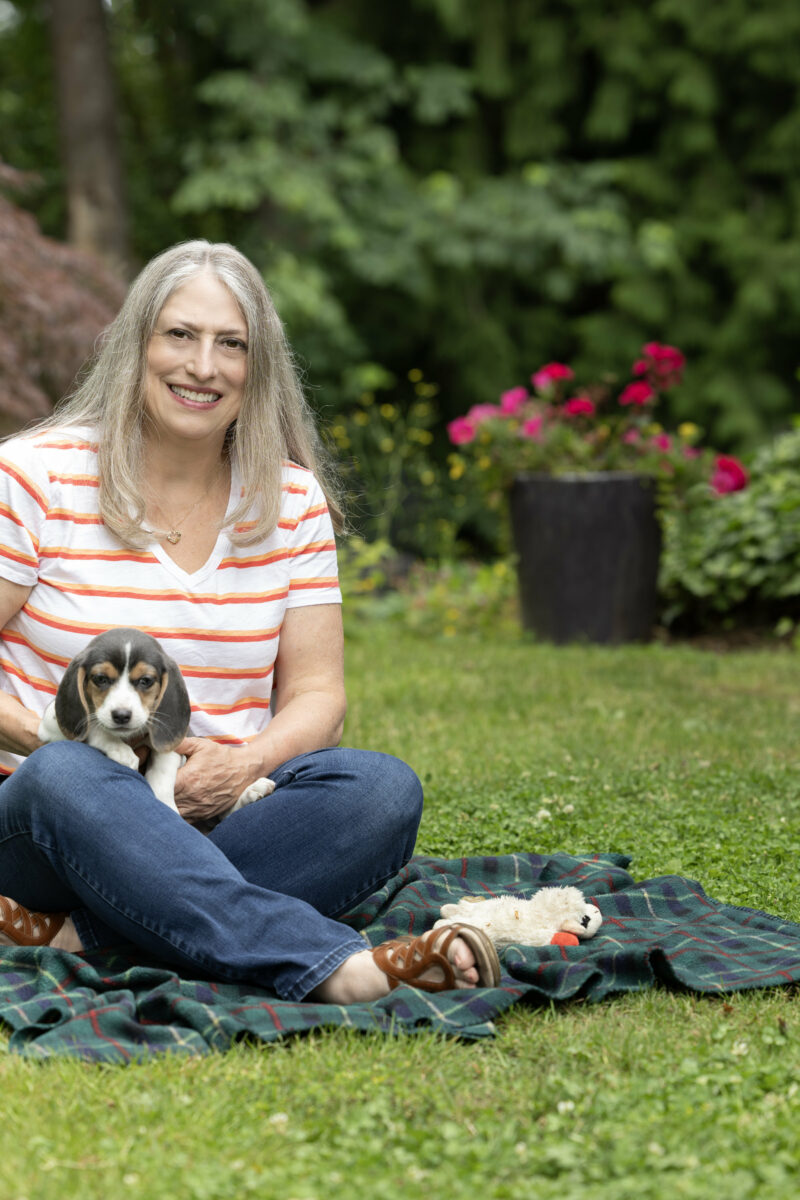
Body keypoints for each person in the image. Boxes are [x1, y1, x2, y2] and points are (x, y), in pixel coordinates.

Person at [0, 240, 499, 1001]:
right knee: (69, 773)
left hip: (213, 808)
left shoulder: (290, 503)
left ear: (256, 368)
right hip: (46, 814)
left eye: (230, 344)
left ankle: (83, 936)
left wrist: (246, 762)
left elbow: (319, 699)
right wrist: (74, 743)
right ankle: (337, 967)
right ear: (135, 346)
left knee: (380, 790)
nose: (203, 366)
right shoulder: (36, 476)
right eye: (180, 335)